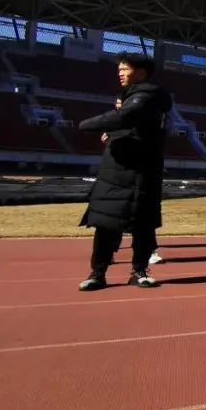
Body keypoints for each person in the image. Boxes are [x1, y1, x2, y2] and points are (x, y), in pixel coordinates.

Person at [77, 53, 172, 291]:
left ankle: (139, 271)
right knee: (107, 223)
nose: (120, 73)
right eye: (119, 69)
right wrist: (113, 133)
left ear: (141, 72)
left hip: (140, 171)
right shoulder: (130, 96)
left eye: (125, 69)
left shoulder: (147, 95)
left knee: (143, 225)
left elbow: (126, 118)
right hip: (117, 173)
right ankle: (98, 273)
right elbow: (133, 125)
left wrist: (87, 125)